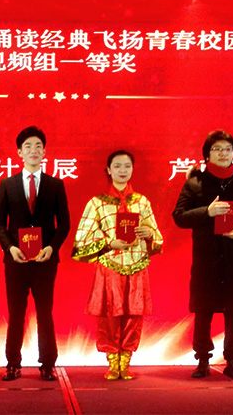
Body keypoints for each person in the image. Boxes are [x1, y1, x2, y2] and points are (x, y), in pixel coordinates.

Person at [172, 130, 233, 379]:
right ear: (207, 154)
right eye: (217, 149)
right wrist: (207, 212)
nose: (223, 154)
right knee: (204, 311)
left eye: (228, 149)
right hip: (206, 259)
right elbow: (179, 216)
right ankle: (202, 360)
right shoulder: (195, 183)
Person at [72, 150, 163, 380]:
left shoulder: (142, 202)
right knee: (109, 316)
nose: (123, 170)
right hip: (109, 266)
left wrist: (148, 233)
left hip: (137, 265)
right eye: (117, 166)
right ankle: (113, 362)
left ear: (133, 169)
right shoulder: (96, 203)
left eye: (127, 166)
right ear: (108, 170)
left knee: (134, 315)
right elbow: (82, 239)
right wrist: (109, 243)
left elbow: (157, 237)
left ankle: (126, 360)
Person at [0, 126, 71, 381]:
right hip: (16, 260)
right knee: (16, 312)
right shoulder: (7, 184)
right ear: (19, 152)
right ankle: (12, 364)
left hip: (45, 260)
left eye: (38, 146)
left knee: (45, 312)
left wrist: (51, 247)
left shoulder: (55, 184)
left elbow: (64, 223)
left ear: (44, 152)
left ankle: (47, 364)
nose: (33, 151)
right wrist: (10, 247)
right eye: (28, 147)